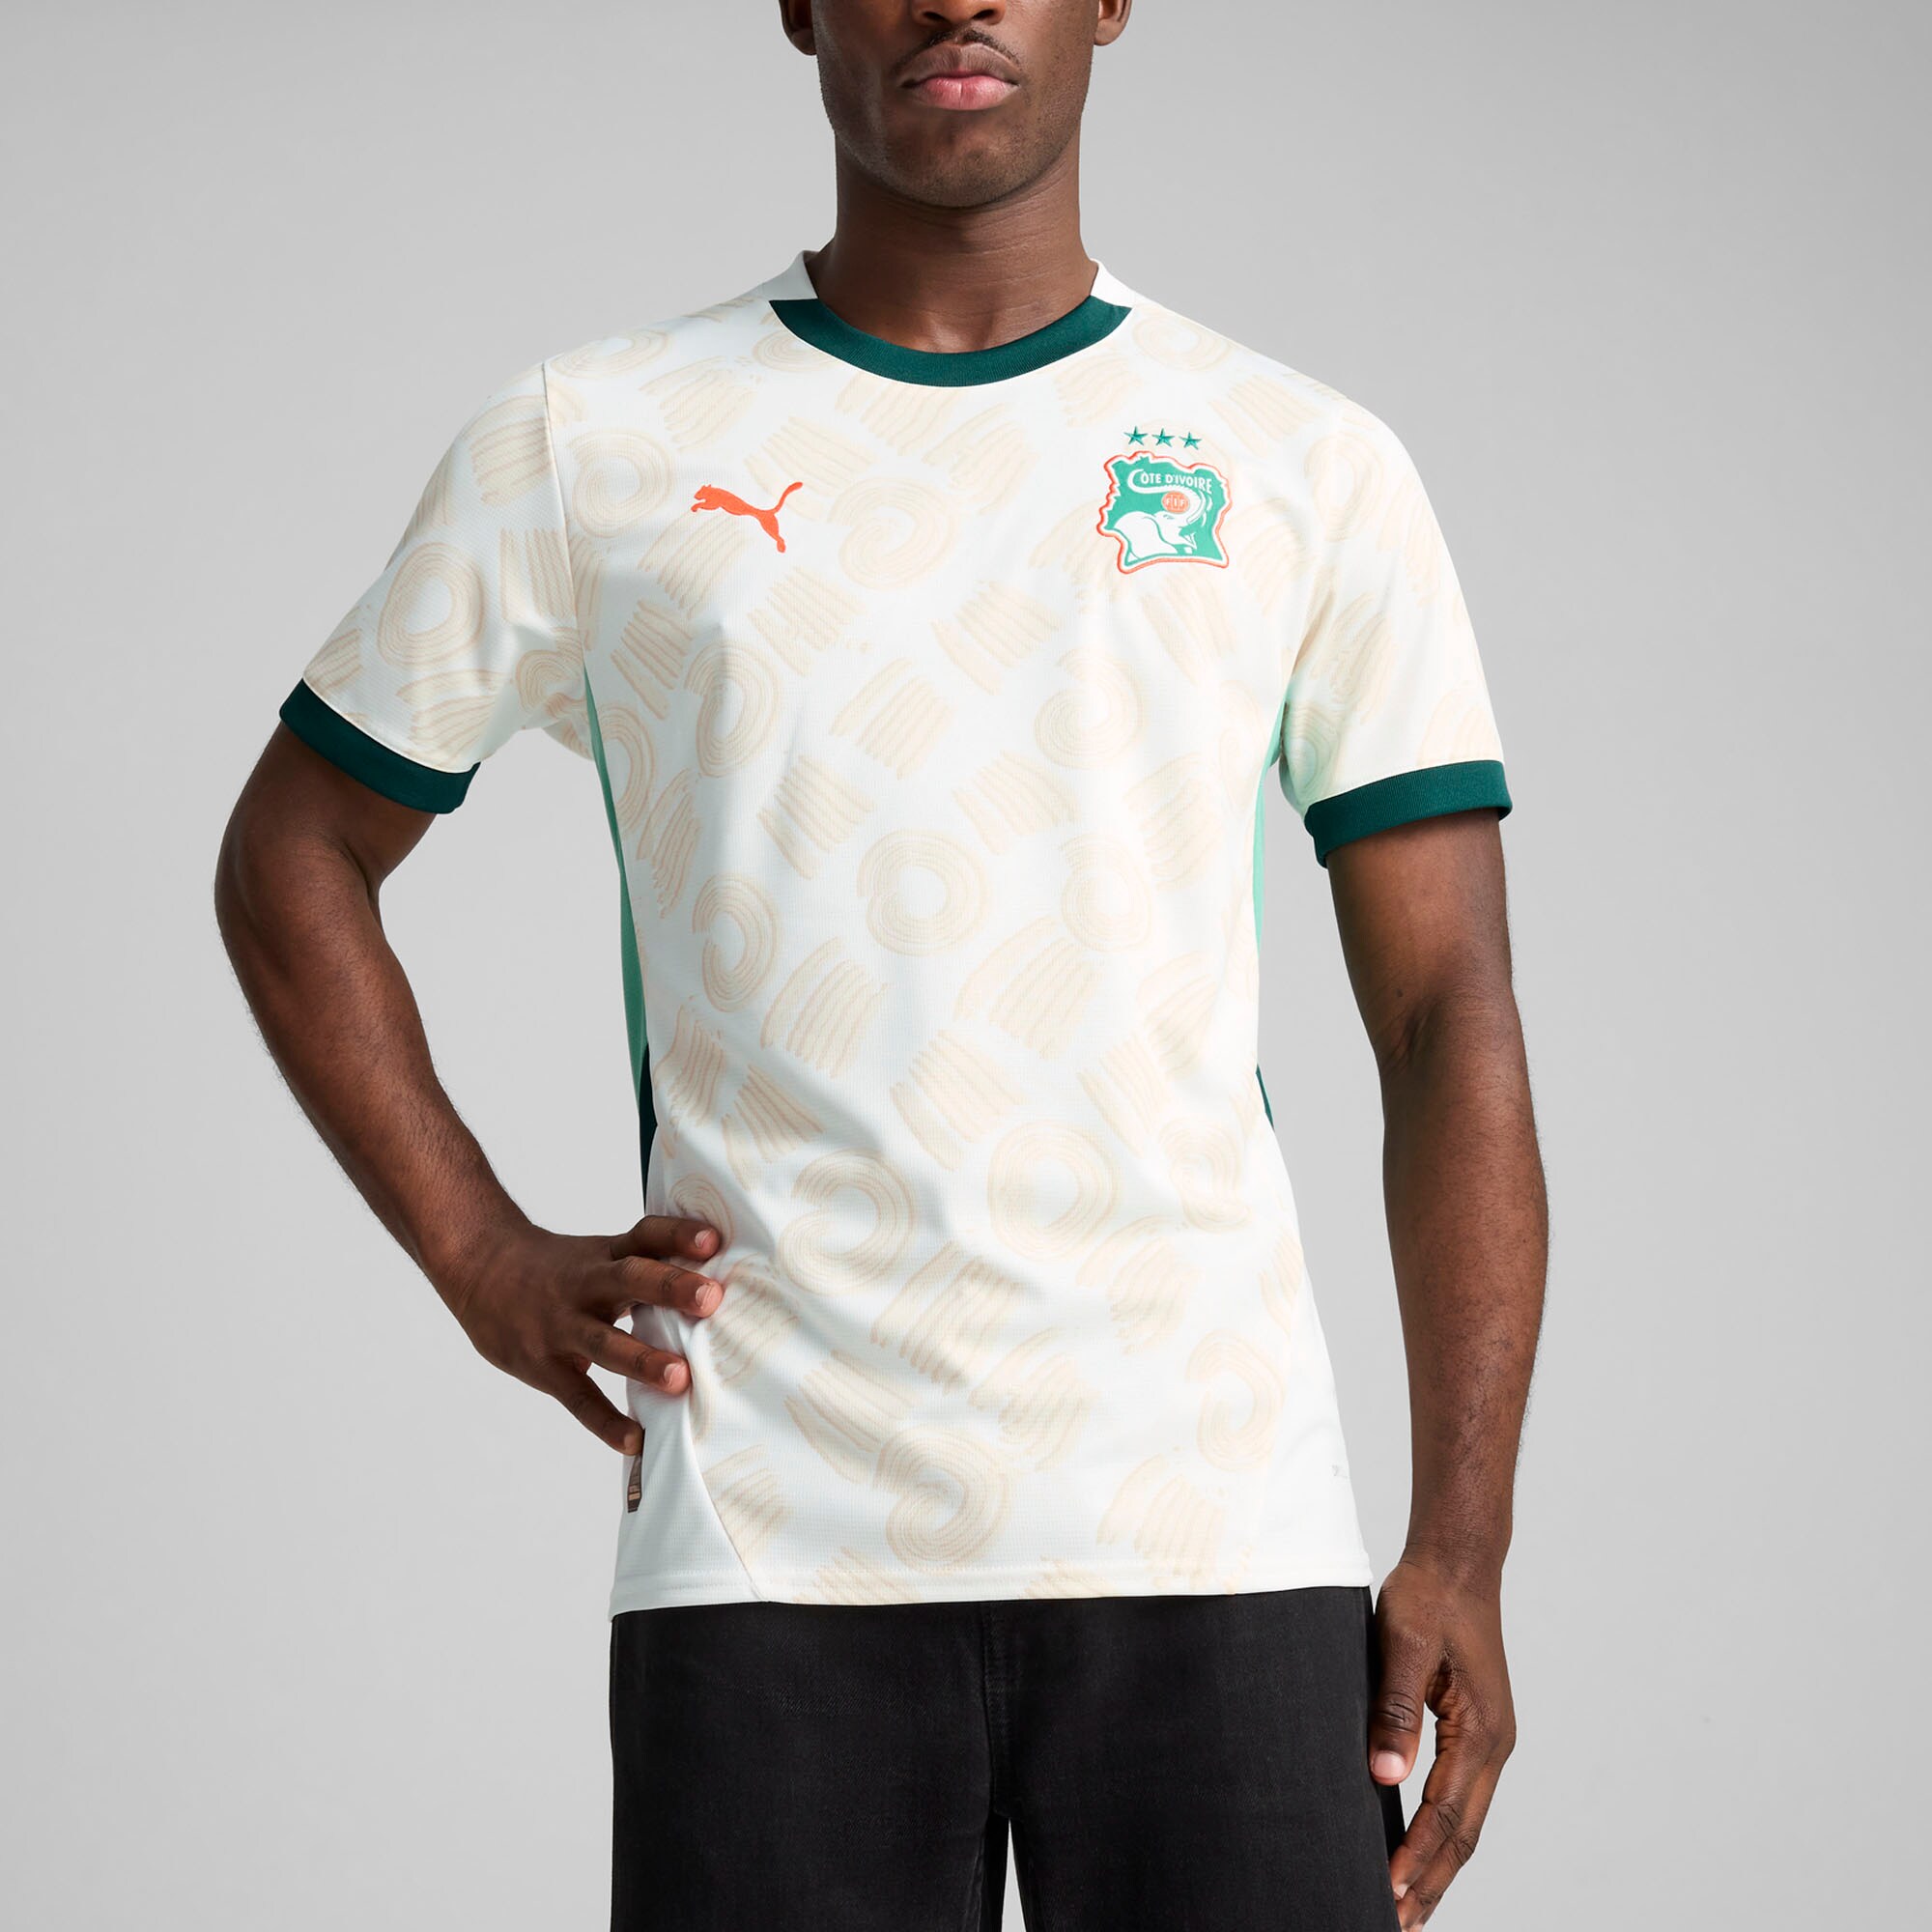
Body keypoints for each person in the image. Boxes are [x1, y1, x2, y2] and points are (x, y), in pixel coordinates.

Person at [214, 2, 1547, 1926]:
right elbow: (295, 851)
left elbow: (1445, 1017)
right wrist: (477, 1253)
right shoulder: (591, 442)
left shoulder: (1302, 463)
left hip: (1213, 1518)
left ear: (1109, 0)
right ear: (798, 6)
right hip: (772, 1535)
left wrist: (1463, 1540)